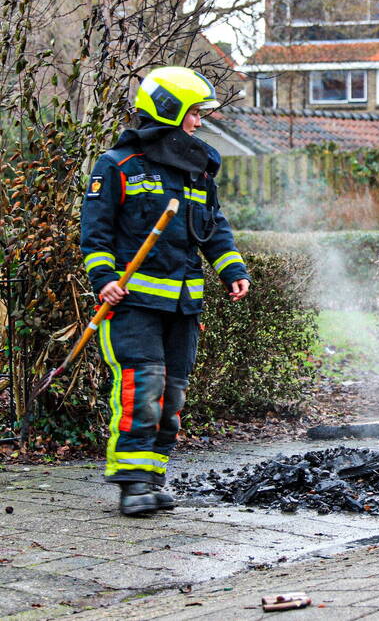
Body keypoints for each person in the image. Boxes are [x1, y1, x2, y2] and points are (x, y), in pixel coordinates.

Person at [80, 67, 250, 515]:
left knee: (171, 395)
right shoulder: (116, 166)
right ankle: (132, 485)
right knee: (143, 387)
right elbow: (94, 237)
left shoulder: (197, 172)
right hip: (132, 305)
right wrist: (105, 281)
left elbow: (213, 227)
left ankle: (153, 477)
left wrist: (231, 267)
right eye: (194, 113)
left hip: (183, 306)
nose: (198, 122)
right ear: (171, 110)